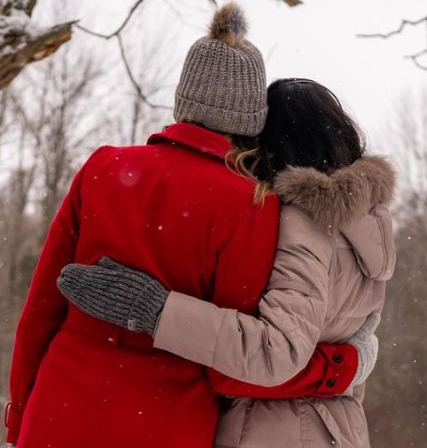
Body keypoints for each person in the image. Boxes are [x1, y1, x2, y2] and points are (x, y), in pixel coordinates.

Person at [4, 4, 369, 447]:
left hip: (60, 406)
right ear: (253, 119)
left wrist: (21, 414)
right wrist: (338, 368)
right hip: (167, 419)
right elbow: (232, 365)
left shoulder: (103, 167)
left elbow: (40, 312)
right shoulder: (253, 204)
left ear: (184, 95)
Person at [57, 78, 395, 448]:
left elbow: (270, 354)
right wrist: (343, 368)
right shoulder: (366, 223)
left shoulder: (303, 223)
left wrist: (155, 309)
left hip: (274, 431)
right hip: (334, 430)